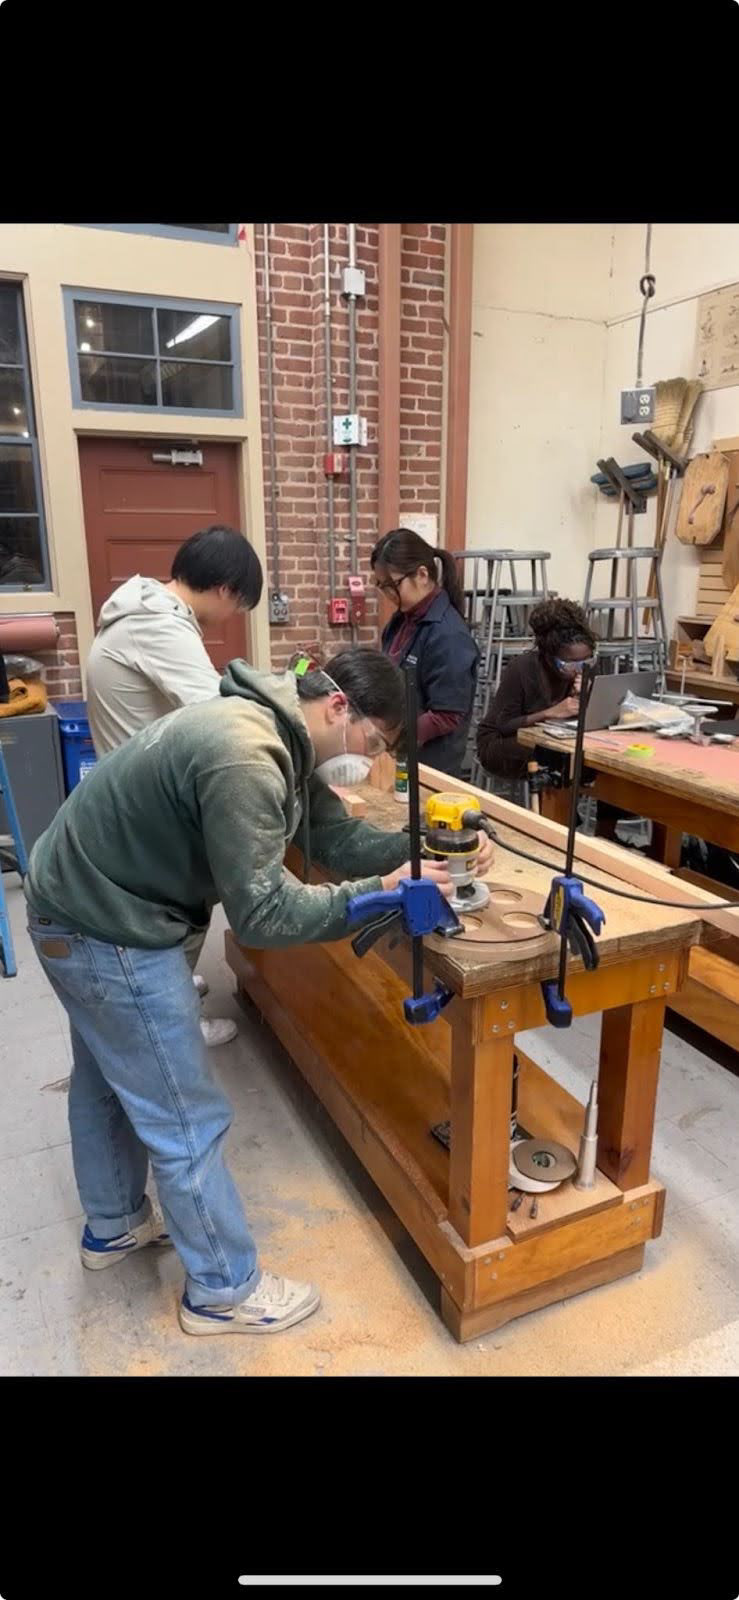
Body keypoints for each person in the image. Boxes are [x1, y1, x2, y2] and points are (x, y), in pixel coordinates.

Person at [25, 647, 494, 1337]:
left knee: (106, 1080)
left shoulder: (276, 727)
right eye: (375, 743)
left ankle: (115, 1225)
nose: (370, 761)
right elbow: (264, 915)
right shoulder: (245, 755)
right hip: (106, 928)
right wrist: (377, 897)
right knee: (185, 1117)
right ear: (339, 708)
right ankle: (221, 1290)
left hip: (76, 904)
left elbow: (334, 836)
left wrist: (422, 845)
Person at [86, 524, 264, 1047]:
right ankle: (175, 1024)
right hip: (151, 813)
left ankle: (174, 987)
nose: (231, 619)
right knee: (177, 915)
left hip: (132, 790)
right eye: (239, 606)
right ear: (228, 589)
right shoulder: (157, 626)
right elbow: (221, 716)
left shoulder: (143, 610)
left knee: (168, 918)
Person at [370, 528, 479, 776]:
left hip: (430, 767)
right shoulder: (401, 621)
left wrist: (394, 736)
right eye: (381, 586)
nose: (387, 594)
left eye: (391, 585)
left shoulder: (449, 635)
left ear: (422, 574)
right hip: (399, 757)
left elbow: (447, 715)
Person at [476, 598, 598, 780]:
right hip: (501, 742)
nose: (577, 669)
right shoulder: (522, 668)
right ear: (548, 655)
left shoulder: (584, 667)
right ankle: (553, 807)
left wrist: (588, 697)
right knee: (560, 757)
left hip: (551, 738)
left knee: (591, 761)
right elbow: (504, 725)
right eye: (568, 663)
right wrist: (551, 712)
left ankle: (570, 806)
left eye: (585, 661)